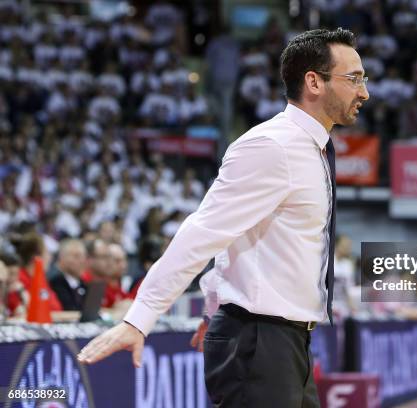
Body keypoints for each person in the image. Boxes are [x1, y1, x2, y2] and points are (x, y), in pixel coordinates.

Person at [77, 28, 369, 407]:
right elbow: (203, 232)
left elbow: (241, 236)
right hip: (259, 342)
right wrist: (139, 318)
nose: (364, 92)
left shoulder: (312, 148)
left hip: (284, 342)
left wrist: (214, 306)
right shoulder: (272, 146)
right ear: (313, 81)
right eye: (354, 79)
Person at [49, 239, 88, 311]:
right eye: (76, 256)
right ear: (62, 257)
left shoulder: (83, 284)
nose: (82, 261)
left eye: (83, 257)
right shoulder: (54, 282)